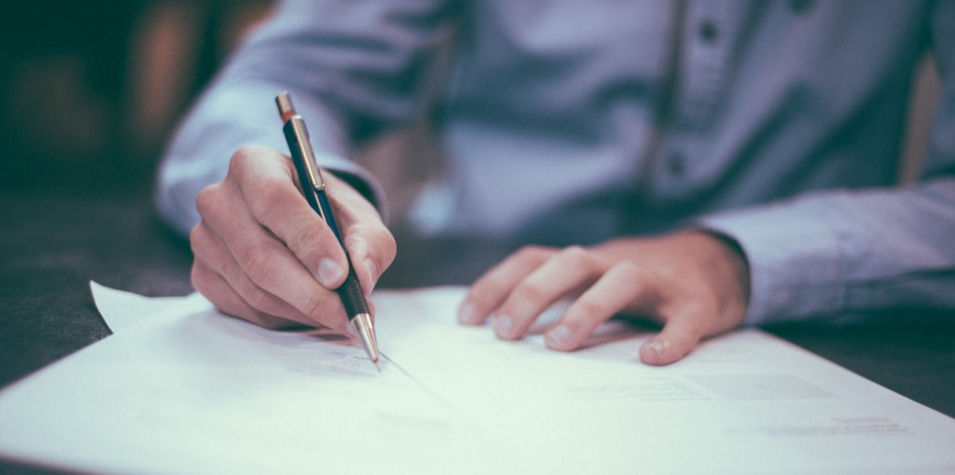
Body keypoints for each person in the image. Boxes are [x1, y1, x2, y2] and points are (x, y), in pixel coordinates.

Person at [155, 0, 955, 365]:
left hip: (811, 335)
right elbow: (279, 76)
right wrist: (280, 197)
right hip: (471, 304)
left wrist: (736, 257)